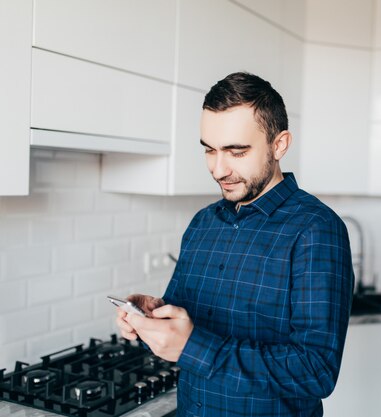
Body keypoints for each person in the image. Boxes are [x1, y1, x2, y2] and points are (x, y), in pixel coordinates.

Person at [115, 72, 354, 417]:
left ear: (279, 144)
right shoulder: (202, 223)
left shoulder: (316, 229)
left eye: (236, 151)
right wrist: (152, 312)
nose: (218, 168)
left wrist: (193, 345)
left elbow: (316, 370)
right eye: (209, 150)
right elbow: (188, 318)